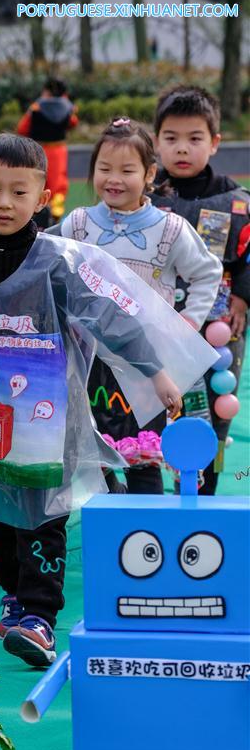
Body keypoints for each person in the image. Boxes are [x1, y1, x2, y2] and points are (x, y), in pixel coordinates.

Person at [0, 134, 216, 668]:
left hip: (51, 420)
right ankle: (14, 593)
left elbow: (113, 320)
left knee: (45, 515)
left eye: (18, 192)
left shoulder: (60, 262)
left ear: (43, 198)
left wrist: (157, 374)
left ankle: (40, 616)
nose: (4, 203)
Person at [51, 119, 221, 495]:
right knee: (95, 456)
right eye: (104, 168)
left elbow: (207, 272)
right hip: (89, 362)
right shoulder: (78, 225)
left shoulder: (169, 229)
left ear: (149, 174)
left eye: (127, 170)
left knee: (143, 458)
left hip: (147, 368)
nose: (114, 179)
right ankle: (111, 515)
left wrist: (187, 323)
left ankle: (145, 523)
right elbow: (46, 261)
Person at [151, 85, 250, 494]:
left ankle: (204, 490)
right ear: (156, 142)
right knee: (154, 410)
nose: (182, 148)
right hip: (157, 325)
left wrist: (242, 295)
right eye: (171, 138)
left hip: (220, 327)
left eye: (194, 138)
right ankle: (146, 489)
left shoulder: (236, 200)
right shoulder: (145, 198)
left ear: (214, 142)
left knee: (216, 406)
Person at [16, 76, 78, 225]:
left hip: (37, 150)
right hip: (59, 150)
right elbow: (73, 123)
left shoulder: (36, 107)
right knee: (58, 185)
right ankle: (56, 216)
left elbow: (22, 128)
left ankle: (35, 214)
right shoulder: (67, 108)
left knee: (37, 181)